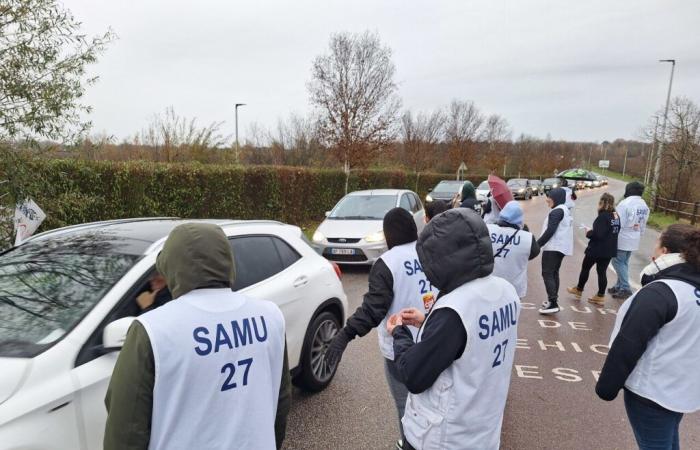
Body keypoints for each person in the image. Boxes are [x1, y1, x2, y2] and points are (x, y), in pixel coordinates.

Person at [104, 223, 291, 450]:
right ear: (227, 263)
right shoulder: (270, 316)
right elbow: (280, 402)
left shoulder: (152, 330)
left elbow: (126, 429)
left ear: (172, 268)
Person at [387, 208, 520, 450]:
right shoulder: (506, 291)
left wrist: (399, 332)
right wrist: (427, 322)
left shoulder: (453, 311)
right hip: (484, 433)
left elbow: (413, 375)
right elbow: (469, 343)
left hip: (443, 437)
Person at [325, 208, 437, 447]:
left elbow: (373, 310)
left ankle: (410, 444)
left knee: (406, 406)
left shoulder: (387, 263)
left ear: (387, 235)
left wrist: (345, 335)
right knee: (433, 403)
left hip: (400, 349)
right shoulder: (430, 253)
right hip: (434, 341)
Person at [596, 224, 700, 450]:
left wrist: (606, 387)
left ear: (664, 252)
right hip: (683, 390)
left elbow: (629, 342)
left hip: (651, 391)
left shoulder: (661, 292)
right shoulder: (691, 291)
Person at [567, 193, 620, 306]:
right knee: (602, 272)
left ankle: (579, 289)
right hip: (609, 249)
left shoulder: (603, 216)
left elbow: (598, 235)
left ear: (602, 203)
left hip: (596, 249)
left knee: (585, 268)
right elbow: (614, 230)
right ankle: (600, 296)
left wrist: (589, 232)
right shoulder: (615, 215)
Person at [487, 200, 540, 298]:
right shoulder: (527, 237)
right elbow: (534, 253)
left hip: (491, 283)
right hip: (514, 286)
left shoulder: (489, 230)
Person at [609, 181, 650, 299]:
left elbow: (618, 221)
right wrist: (640, 233)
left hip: (623, 236)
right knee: (624, 262)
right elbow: (644, 222)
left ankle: (625, 288)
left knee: (617, 262)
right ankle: (619, 285)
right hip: (635, 236)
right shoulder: (644, 204)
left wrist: (612, 233)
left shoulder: (624, 204)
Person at [537, 187, 573, 314]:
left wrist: (538, 244)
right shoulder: (565, 210)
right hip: (561, 248)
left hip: (553, 247)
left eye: (550, 197)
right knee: (553, 273)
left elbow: (550, 231)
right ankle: (552, 300)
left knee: (547, 273)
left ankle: (553, 303)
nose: (547, 200)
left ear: (556, 198)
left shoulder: (556, 211)